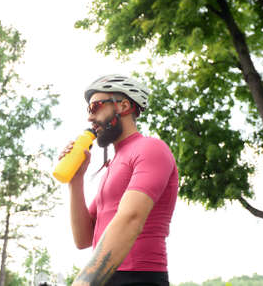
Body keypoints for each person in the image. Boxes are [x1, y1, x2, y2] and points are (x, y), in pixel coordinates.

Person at [59, 74, 179, 286]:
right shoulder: (113, 164)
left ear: (123, 106)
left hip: (138, 278)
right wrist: (76, 181)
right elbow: (84, 239)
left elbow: (131, 218)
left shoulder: (150, 148)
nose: (89, 117)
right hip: (104, 276)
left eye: (95, 107)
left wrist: (84, 282)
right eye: (88, 110)